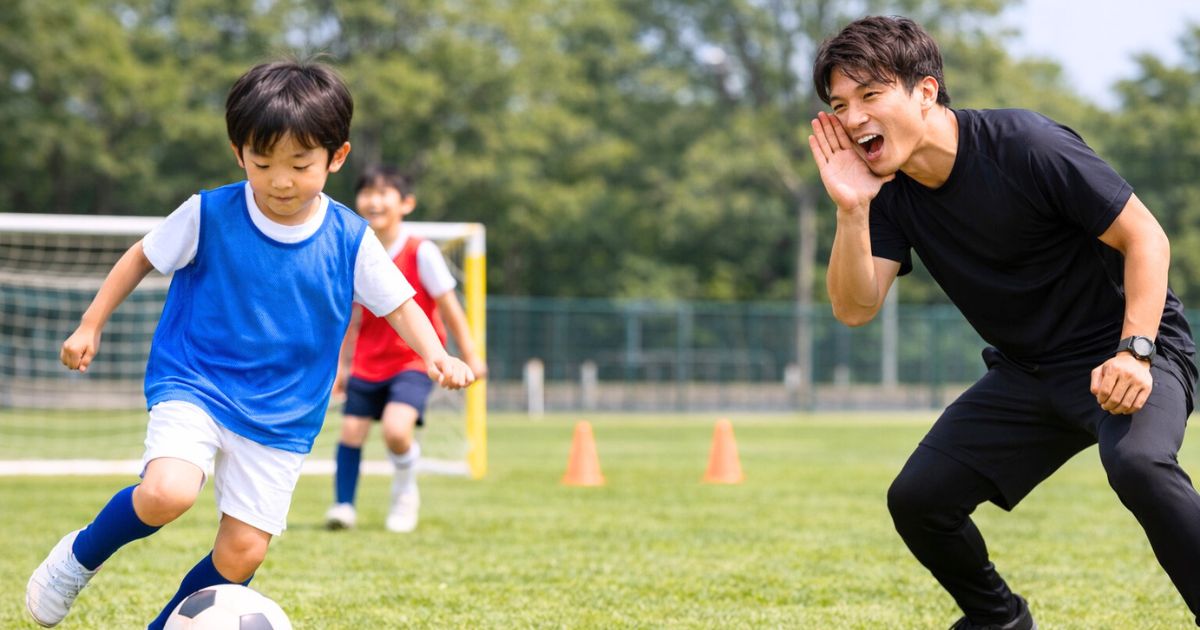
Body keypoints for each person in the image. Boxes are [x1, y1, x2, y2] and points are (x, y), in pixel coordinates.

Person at [24, 59, 474, 629]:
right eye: (263, 163)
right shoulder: (209, 212)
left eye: (300, 164)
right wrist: (90, 324)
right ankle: (76, 559)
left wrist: (436, 353)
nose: (281, 180)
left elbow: (400, 303)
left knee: (243, 553)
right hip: (196, 382)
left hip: (283, 414)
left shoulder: (350, 239)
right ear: (239, 153)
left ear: (336, 158)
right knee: (167, 492)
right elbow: (142, 255)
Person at [809, 15, 1200, 630]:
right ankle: (1000, 622)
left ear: (927, 91)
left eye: (869, 94)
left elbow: (1146, 238)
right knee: (919, 500)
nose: (853, 117)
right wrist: (852, 211)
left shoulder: (1024, 144)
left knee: (1140, 466)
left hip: (1126, 347)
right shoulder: (886, 190)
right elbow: (854, 308)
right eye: (839, 103)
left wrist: (1136, 351)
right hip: (1027, 373)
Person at [324, 165, 488, 533]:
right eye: (367, 192)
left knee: (397, 431)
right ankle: (343, 505)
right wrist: (342, 366)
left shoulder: (422, 252)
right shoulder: (355, 252)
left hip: (412, 360)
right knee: (350, 431)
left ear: (406, 204)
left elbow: (450, 308)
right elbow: (350, 320)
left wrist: (471, 355)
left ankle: (404, 491)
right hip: (367, 363)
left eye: (384, 193)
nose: (373, 200)